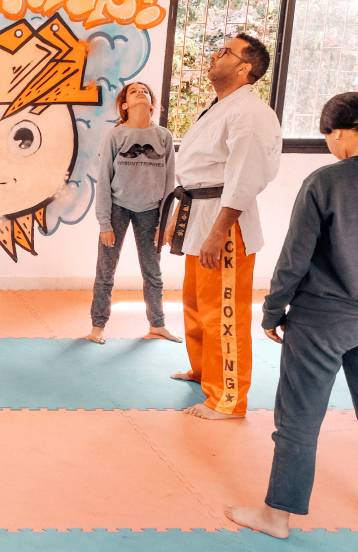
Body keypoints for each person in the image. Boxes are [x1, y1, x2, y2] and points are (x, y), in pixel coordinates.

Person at [226, 94, 358, 540]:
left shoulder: (326, 181)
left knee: (299, 418)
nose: (330, 149)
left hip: (323, 318)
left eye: (329, 139)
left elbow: (294, 256)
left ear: (339, 132)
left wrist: (272, 310)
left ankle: (276, 516)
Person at [162, 34, 281, 419]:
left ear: (245, 68)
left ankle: (228, 399)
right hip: (199, 213)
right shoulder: (222, 106)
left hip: (224, 222)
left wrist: (219, 231)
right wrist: (176, 222)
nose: (215, 55)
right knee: (196, 305)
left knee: (223, 312)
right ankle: (204, 373)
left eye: (225, 51)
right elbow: (199, 173)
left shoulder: (250, 113)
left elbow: (245, 178)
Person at [86, 81, 180, 345]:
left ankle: (158, 324)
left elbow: (169, 183)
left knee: (153, 271)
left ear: (152, 103)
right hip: (117, 209)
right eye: (133, 91)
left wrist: (163, 224)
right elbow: (104, 180)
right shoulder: (116, 136)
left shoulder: (163, 136)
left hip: (151, 212)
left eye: (146, 91)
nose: (141, 92)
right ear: (124, 105)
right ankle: (98, 323)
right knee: (106, 270)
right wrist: (104, 222)